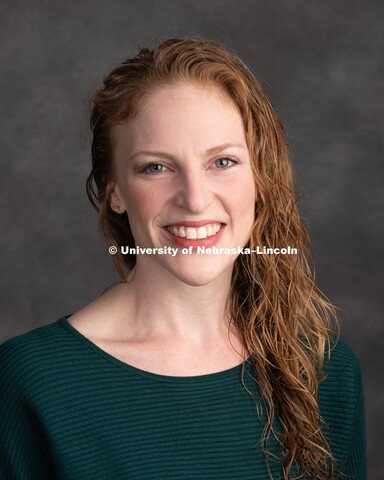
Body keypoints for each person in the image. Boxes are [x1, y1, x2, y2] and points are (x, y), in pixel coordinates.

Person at [0, 36, 366, 480]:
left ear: (260, 178)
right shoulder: (30, 382)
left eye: (223, 162)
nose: (195, 199)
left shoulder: (324, 371)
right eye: (156, 167)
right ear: (114, 191)